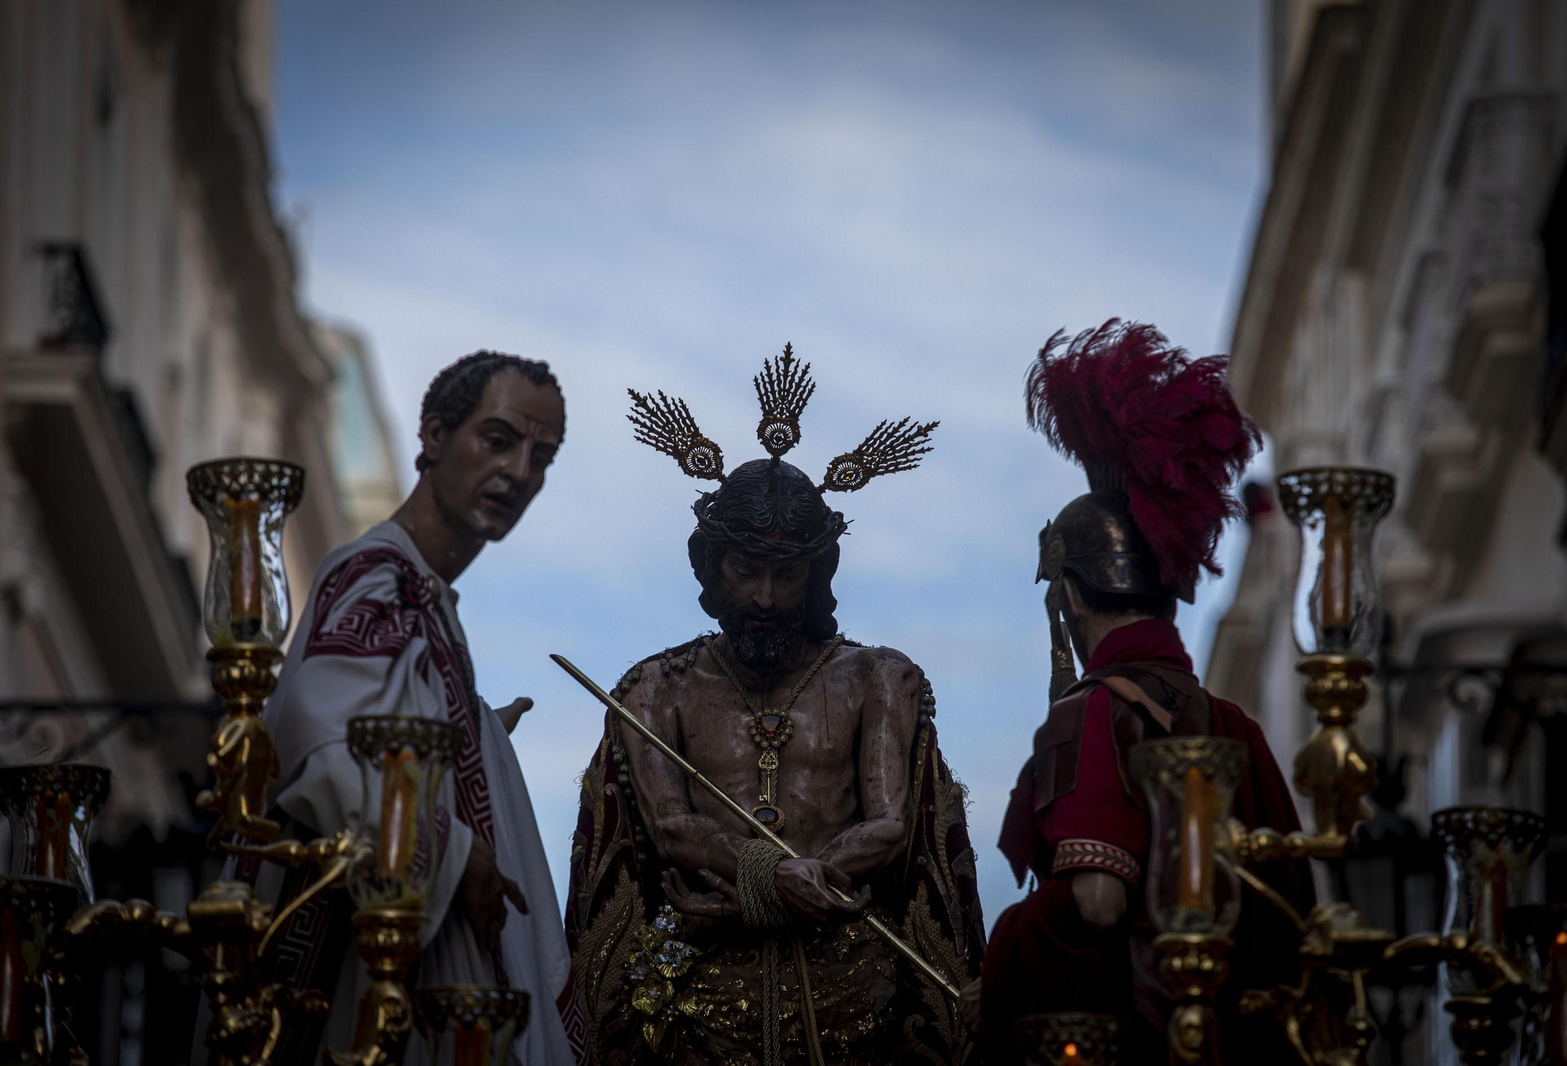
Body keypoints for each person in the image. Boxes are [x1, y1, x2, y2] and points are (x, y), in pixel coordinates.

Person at [564, 347, 983, 1066]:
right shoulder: (653, 689)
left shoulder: (881, 680)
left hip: (852, 996)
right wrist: (772, 875)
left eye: (784, 574)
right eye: (744, 570)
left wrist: (781, 886)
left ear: (817, 573)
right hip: (696, 1002)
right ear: (709, 566)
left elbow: (888, 823)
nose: (762, 596)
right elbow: (669, 826)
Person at [979, 321, 1315, 1064]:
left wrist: (1003, 948)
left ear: (1070, 596)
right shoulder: (1236, 725)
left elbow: (1095, 902)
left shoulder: (1094, 710)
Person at [239, 351, 581, 1065]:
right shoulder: (376, 574)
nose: (520, 473)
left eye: (540, 456)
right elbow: (323, 741)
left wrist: (479, 740)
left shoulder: (423, 595)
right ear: (432, 436)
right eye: (497, 440)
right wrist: (459, 855)